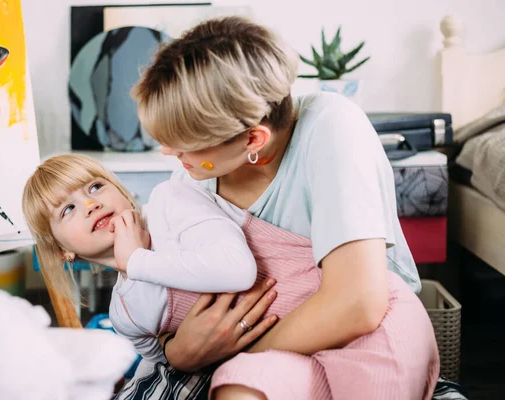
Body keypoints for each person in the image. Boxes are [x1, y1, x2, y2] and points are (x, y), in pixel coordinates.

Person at [120, 15, 441, 399]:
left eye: (186, 144)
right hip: (277, 346)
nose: (169, 153)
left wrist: (231, 353)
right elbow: (180, 299)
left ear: (253, 138)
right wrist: (180, 351)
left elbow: (358, 305)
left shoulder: (331, 125)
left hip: (363, 337)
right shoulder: (191, 181)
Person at [22, 154, 439, 400]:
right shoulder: (126, 311)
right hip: (295, 355)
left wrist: (137, 260)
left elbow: (237, 270)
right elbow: (162, 361)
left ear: (120, 191)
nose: (90, 205)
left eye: (94, 188)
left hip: (366, 319)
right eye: (68, 210)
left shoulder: (171, 203)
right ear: (63, 250)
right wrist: (173, 353)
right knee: (232, 385)